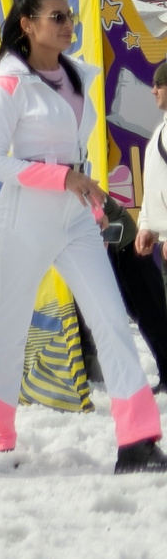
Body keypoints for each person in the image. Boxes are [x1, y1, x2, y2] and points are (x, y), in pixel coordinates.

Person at [0, 0, 163, 470]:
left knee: (111, 320)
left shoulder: (80, 72)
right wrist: (61, 177)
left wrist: (87, 186)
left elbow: (74, 151)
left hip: (78, 219)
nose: (68, 25)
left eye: (70, 16)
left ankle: (138, 439)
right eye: (57, 17)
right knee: (10, 329)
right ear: (28, 25)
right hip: (23, 221)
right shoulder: (8, 82)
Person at [122, 61, 167, 382]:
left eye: (159, 84)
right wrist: (148, 225)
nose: (152, 90)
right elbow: (155, 183)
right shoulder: (162, 130)